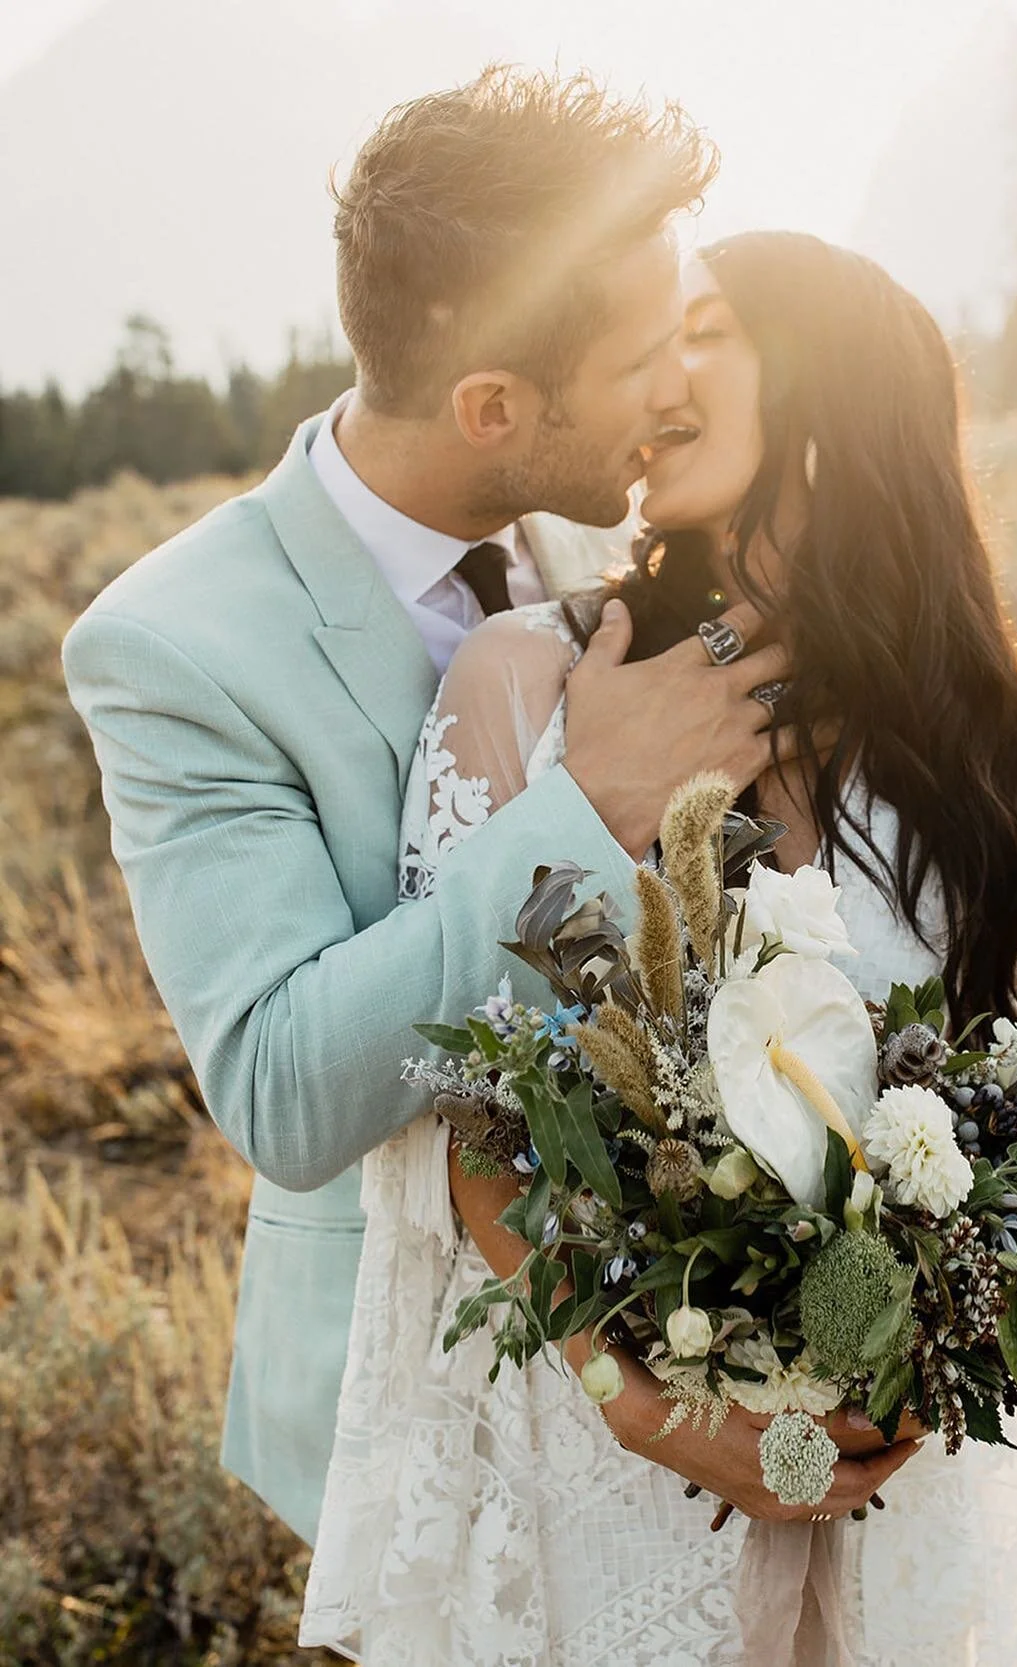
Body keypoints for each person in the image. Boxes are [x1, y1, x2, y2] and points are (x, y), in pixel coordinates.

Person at [301, 233, 1017, 1665]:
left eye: (703, 334)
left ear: (833, 392)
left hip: (890, 1467)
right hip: (607, 1460)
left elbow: (1003, 1106)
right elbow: (476, 1108)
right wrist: (661, 1406)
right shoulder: (542, 685)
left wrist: (924, 1328)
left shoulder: (953, 748)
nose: (654, 381)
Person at [61, 68, 842, 1551]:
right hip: (414, 1408)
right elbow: (284, 1089)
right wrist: (584, 804)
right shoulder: (172, 645)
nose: (677, 393)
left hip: (680, 1355)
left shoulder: (613, 525)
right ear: (495, 406)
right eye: (642, 362)